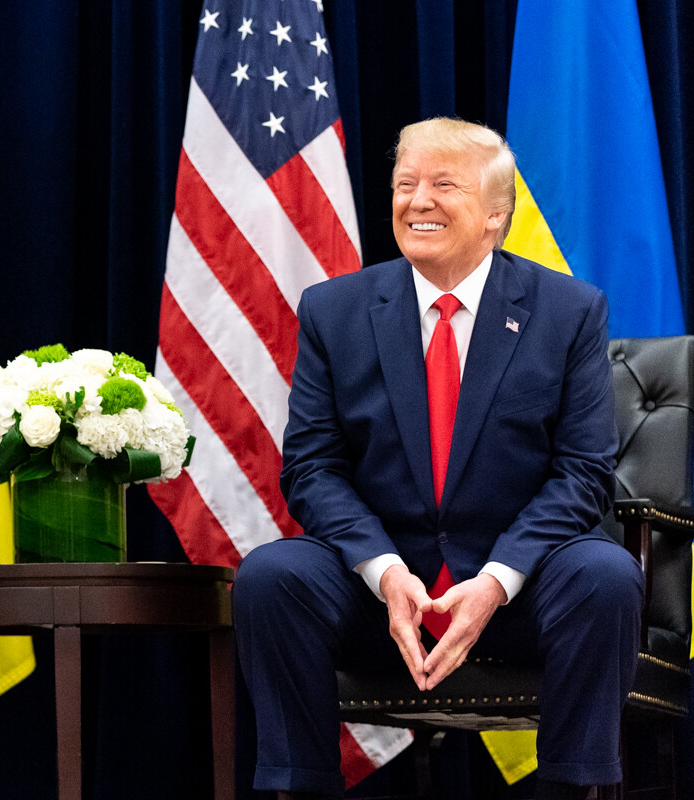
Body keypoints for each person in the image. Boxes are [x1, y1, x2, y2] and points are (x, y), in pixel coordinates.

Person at [233, 118, 643, 800]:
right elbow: (311, 468)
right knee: (272, 577)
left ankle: (572, 790)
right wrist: (385, 571)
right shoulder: (335, 310)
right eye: (405, 184)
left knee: (605, 576)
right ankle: (301, 789)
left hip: (520, 592)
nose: (417, 201)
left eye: (443, 185)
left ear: (496, 215)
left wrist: (497, 579)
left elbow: (583, 473)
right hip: (382, 592)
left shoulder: (568, 311)